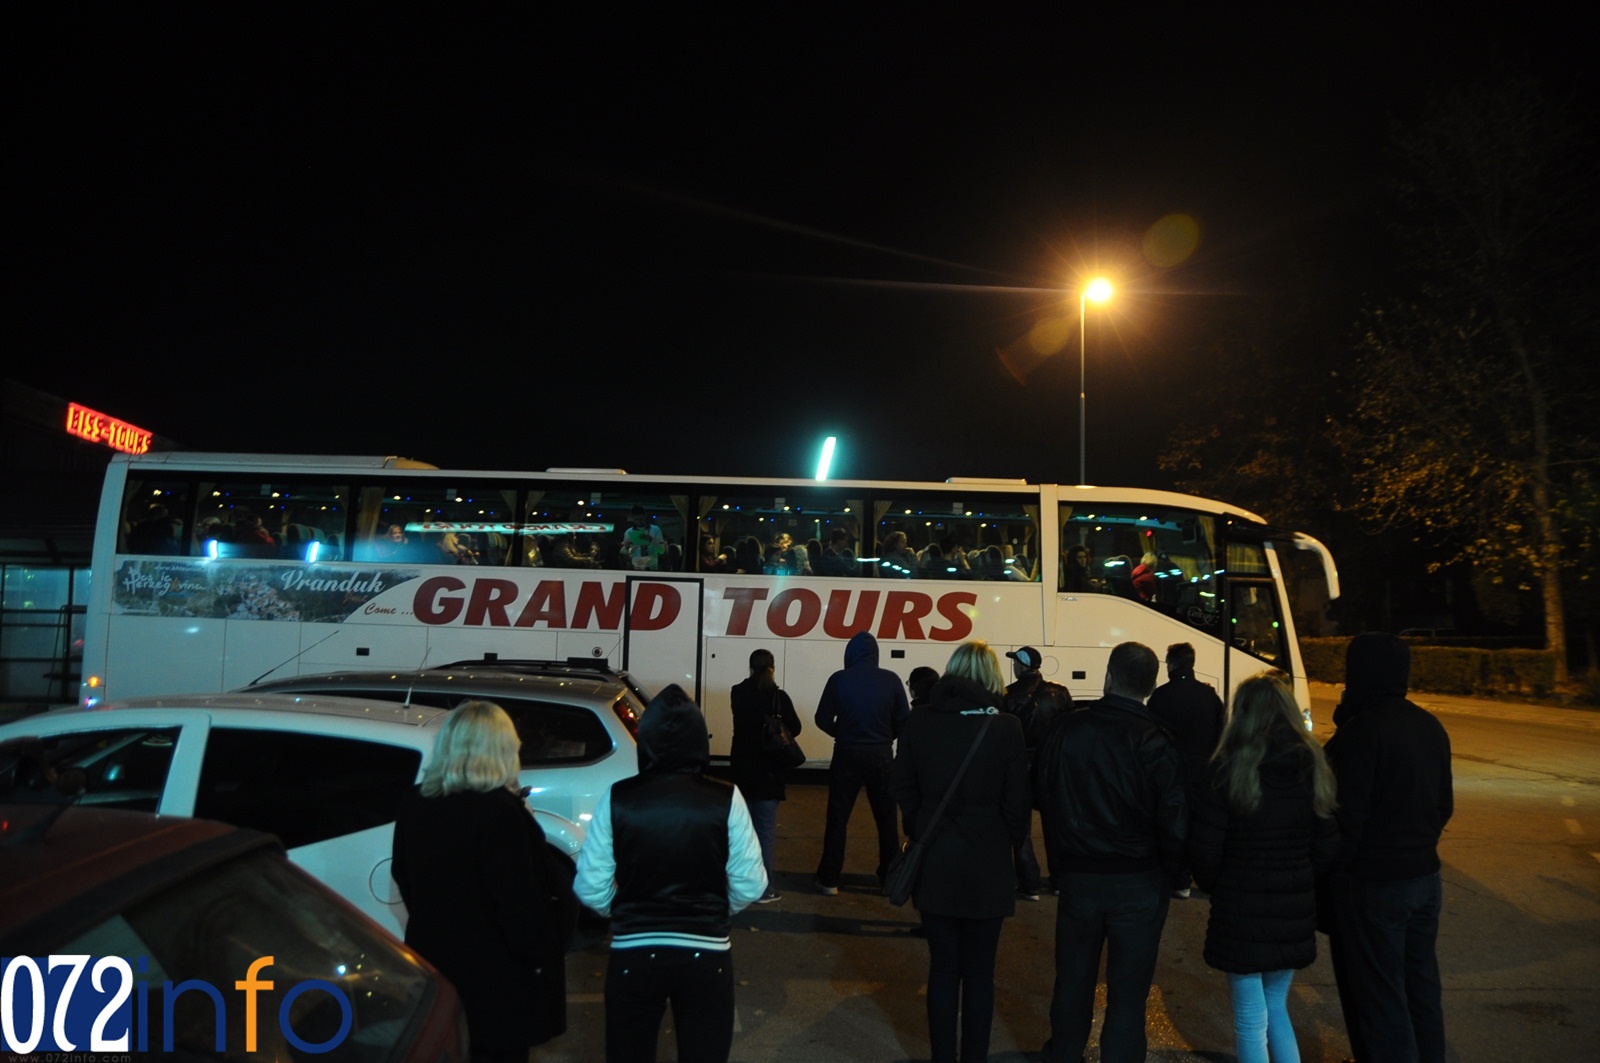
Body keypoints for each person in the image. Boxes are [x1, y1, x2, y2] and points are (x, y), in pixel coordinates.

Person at [574, 684, 767, 1063]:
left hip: (633, 952)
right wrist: (715, 908)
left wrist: (624, 910)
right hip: (706, 953)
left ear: (645, 740)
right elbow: (751, 882)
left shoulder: (618, 797)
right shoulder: (726, 797)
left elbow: (590, 885)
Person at [392, 701, 577, 1063]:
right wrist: (540, 955)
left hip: (437, 971)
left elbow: (404, 877)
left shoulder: (417, 803)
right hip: (497, 985)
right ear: (503, 750)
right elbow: (519, 904)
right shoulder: (500, 813)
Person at [1034, 641, 1187, 1063]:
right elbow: (1174, 820)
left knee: (1073, 979)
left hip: (1080, 875)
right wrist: (1173, 873)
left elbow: (1044, 794)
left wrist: (1060, 861)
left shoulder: (1067, 729)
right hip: (1139, 879)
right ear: (1151, 686)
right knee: (1129, 990)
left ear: (1108, 676)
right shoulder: (1155, 739)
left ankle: (1064, 1053)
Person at [1189, 671, 1341, 1063]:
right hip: (1292, 908)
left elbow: (1205, 853)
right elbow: (1327, 844)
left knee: (1249, 1017)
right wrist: (1298, 876)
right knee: (1275, 1007)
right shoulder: (1312, 767)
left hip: (1241, 908)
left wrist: (1222, 885)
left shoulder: (1226, 770)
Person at [890, 640, 1030, 1063]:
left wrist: (920, 826)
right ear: (992, 677)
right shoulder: (1005, 728)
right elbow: (1017, 806)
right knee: (981, 973)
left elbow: (903, 786)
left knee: (943, 968)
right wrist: (1011, 844)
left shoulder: (920, 722)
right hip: (988, 863)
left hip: (935, 859)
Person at [1322, 632, 1453, 1063]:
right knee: (1420, 988)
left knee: (1380, 998)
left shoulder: (1364, 731)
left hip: (1375, 884)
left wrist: (1334, 872)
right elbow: (1444, 805)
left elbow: (1346, 818)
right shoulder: (1429, 726)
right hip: (1425, 878)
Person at [813, 630, 912, 894]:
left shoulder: (838, 679)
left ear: (850, 654)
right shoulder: (891, 680)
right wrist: (886, 736)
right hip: (881, 755)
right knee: (886, 819)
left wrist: (842, 733)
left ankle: (829, 879)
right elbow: (904, 720)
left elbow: (822, 719)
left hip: (846, 753)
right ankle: (888, 879)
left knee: (838, 817)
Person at [1147, 641, 1227, 898]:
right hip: (1202, 773)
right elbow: (1220, 736)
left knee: (1171, 826)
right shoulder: (1209, 696)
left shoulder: (1160, 696)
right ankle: (1195, 876)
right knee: (1198, 826)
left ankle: (1178, 878)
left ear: (1170, 664)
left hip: (1169, 772)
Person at [729, 648, 803, 902]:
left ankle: (739, 884)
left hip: (742, 770)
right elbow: (795, 728)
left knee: (742, 832)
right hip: (770, 773)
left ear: (750, 667)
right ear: (773, 668)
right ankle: (763, 888)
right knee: (764, 832)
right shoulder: (778, 697)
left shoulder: (737, 692)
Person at [1001, 646, 1074, 900]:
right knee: (1054, 825)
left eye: (1015, 662)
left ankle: (1029, 882)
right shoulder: (1059, 692)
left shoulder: (1008, 694)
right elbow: (1068, 728)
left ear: (1021, 666)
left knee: (1020, 827)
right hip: (1050, 765)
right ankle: (1059, 880)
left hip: (1020, 765)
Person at [622, 504, 667, 570]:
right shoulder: (628, 532)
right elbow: (625, 553)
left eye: (640, 519)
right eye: (636, 520)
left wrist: (651, 540)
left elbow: (662, 551)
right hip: (636, 567)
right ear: (632, 518)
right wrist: (626, 547)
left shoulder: (655, 530)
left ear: (645, 516)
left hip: (652, 568)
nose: (638, 522)